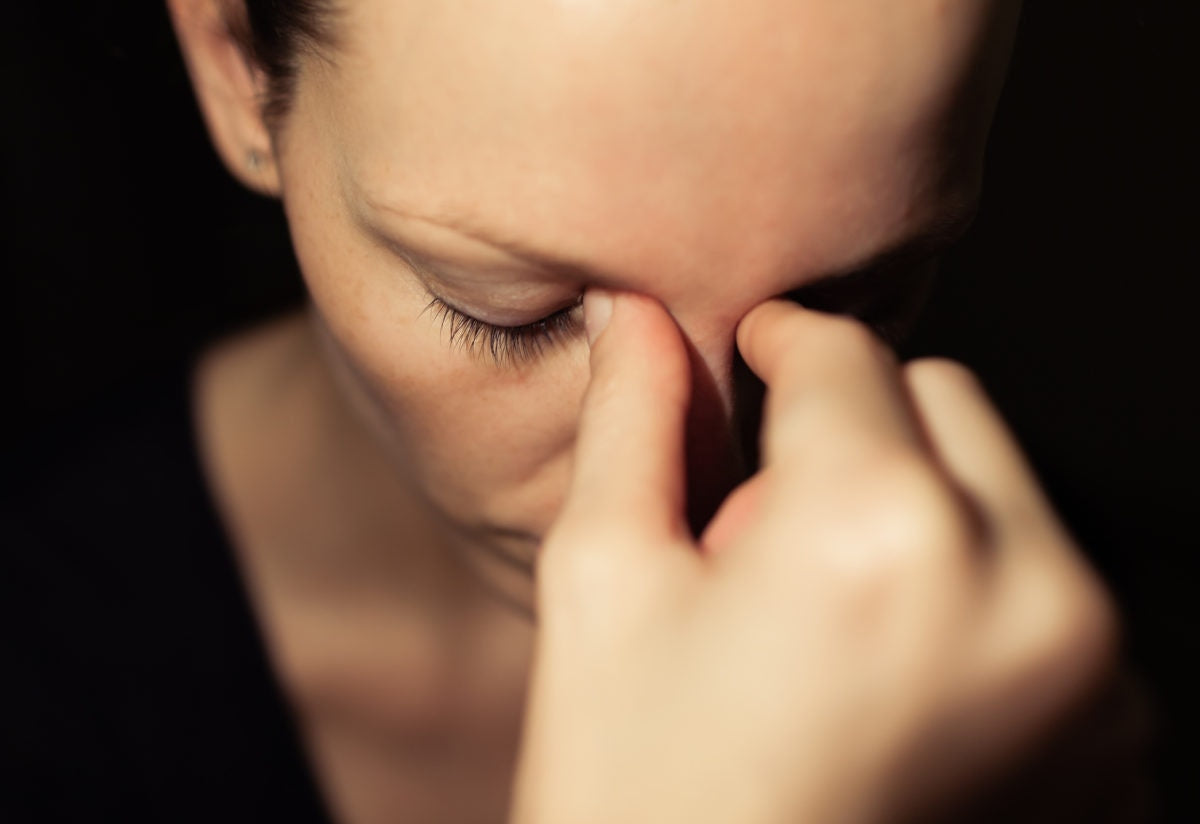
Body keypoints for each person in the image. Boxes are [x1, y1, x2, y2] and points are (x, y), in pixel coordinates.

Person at [5, 1, 1146, 822]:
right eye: (518, 313)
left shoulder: (1059, 656)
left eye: (849, 306)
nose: (706, 460)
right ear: (239, 64)